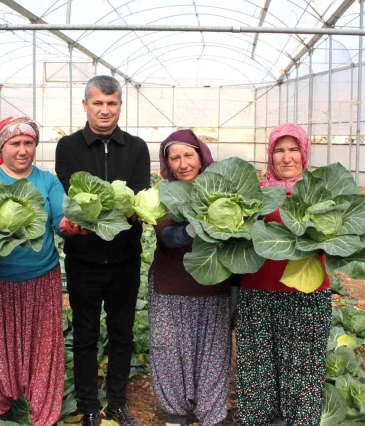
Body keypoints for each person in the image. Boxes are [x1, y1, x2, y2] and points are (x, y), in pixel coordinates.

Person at [0, 116, 67, 426]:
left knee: (42, 349)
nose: (22, 150)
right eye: (14, 143)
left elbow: (60, 217)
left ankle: (43, 413)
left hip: (39, 280)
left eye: (29, 143)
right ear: (1, 146)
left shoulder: (48, 181)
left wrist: (69, 224)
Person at [55, 75, 150, 426]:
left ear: (120, 106)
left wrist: (102, 207)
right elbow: (71, 195)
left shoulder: (137, 148)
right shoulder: (68, 147)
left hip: (125, 260)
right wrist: (109, 208)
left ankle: (117, 403)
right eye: (98, 103)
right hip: (84, 261)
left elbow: (137, 195)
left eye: (111, 103)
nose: (105, 110)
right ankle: (89, 406)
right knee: (85, 334)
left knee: (122, 334)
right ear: (85, 106)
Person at [236, 123, 331, 426]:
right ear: (270, 155)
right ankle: (259, 419)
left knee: (303, 369)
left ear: (304, 154)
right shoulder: (256, 194)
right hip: (258, 291)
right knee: (257, 367)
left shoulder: (321, 193)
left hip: (307, 295)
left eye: (293, 149)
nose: (286, 157)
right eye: (279, 150)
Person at [149, 129, 234, 426]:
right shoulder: (164, 192)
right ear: (167, 163)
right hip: (171, 282)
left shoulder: (224, 190)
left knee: (213, 353)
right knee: (169, 348)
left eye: (188, 155)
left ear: (201, 156)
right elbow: (166, 235)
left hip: (214, 282)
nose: (183, 164)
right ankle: (175, 413)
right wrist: (191, 230)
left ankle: (211, 413)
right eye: (175, 158)